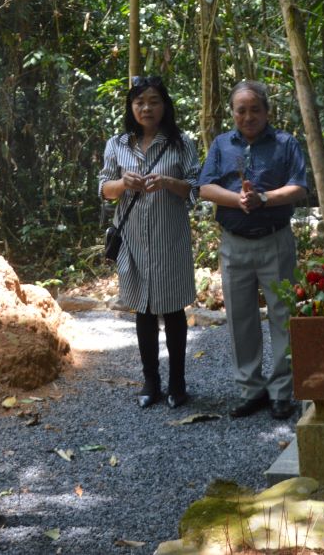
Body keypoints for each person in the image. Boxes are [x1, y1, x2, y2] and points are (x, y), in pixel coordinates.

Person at [198, 80, 308, 420]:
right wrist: (239, 200)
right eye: (241, 110)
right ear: (232, 113)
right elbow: (205, 187)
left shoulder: (285, 143)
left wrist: (264, 198)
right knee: (240, 318)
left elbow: (299, 187)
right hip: (234, 243)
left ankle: (282, 391)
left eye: (255, 109)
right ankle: (251, 389)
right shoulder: (221, 144)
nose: (248, 116)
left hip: (275, 240)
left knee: (283, 316)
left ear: (267, 111)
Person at [98, 75, 200, 409]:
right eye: (139, 102)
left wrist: (169, 181)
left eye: (154, 101)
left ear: (164, 106)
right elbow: (104, 189)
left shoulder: (181, 143)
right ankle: (150, 381)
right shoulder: (118, 144)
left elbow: (196, 188)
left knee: (173, 309)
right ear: (131, 107)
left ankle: (177, 383)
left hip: (170, 239)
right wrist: (122, 184)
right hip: (133, 242)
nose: (146, 108)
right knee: (142, 309)